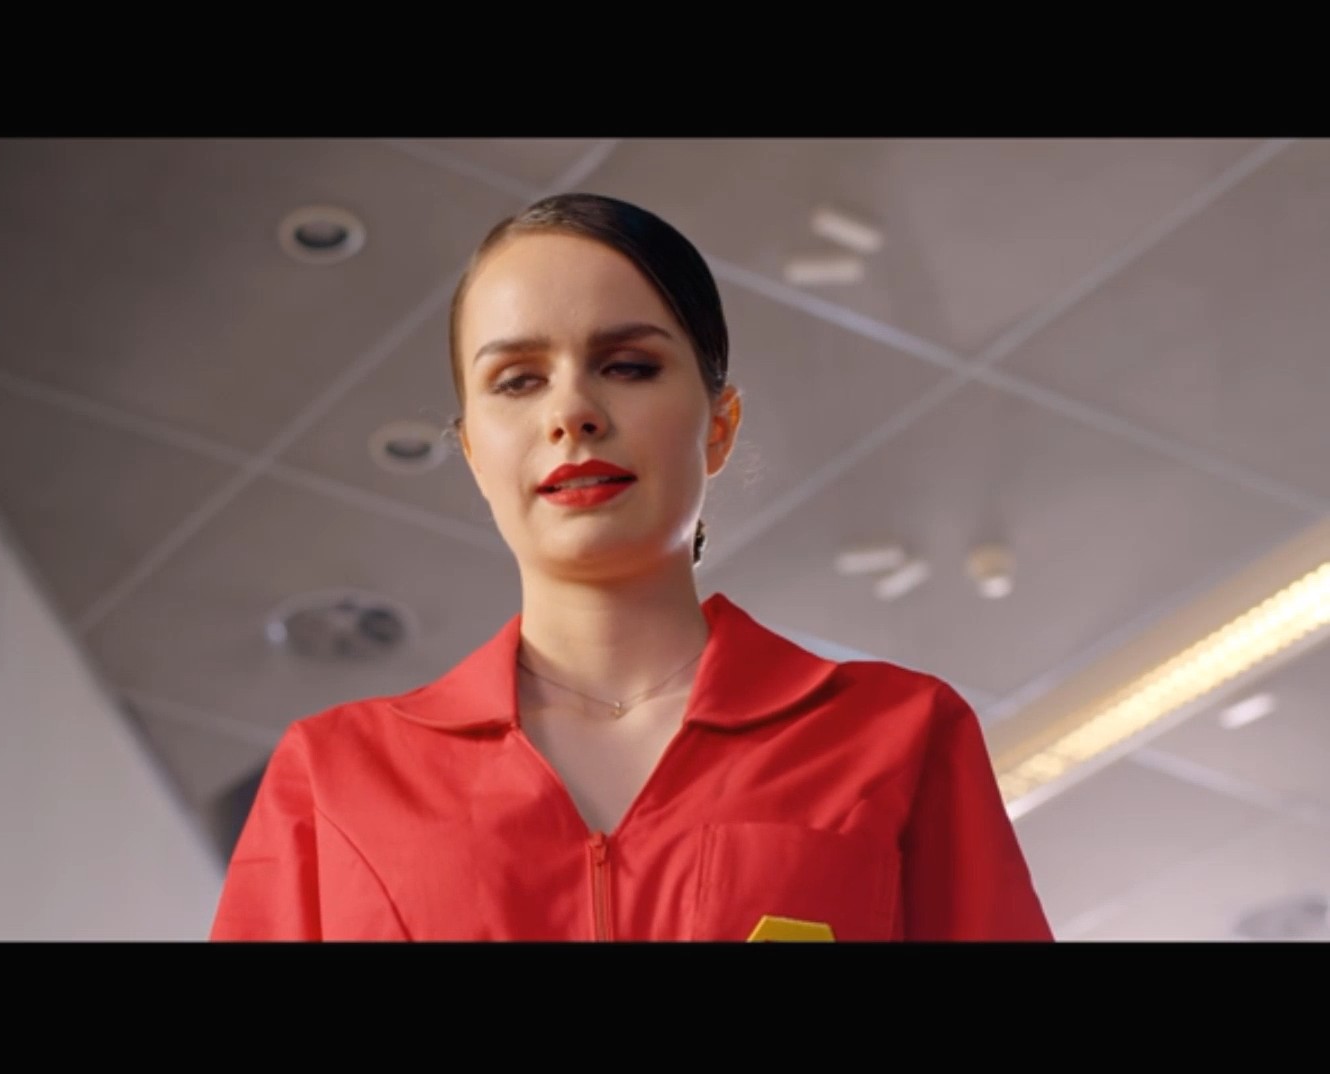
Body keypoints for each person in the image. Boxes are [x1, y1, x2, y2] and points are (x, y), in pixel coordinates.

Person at [208, 192, 1053, 941]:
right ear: (471, 452)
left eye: (628, 367)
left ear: (719, 425)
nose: (573, 411)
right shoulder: (334, 779)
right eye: (517, 381)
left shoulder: (895, 738)